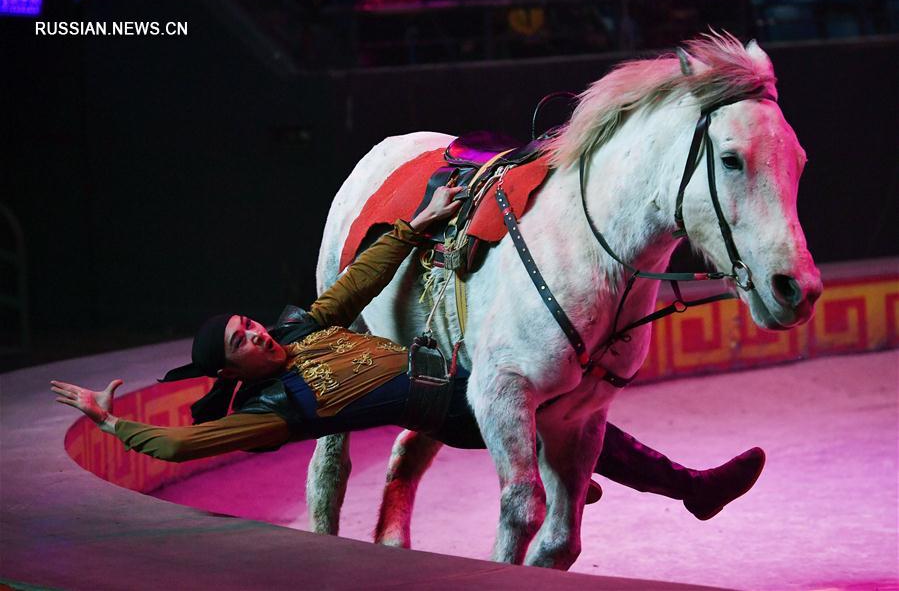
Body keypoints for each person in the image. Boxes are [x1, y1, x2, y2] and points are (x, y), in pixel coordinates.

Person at [52, 186, 764, 521]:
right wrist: (111, 423)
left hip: (449, 364)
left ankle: (612, 472)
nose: (258, 332)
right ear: (233, 369)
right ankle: (686, 487)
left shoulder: (301, 328)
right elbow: (182, 447)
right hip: (448, 407)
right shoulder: (278, 409)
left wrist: (413, 223)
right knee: (553, 408)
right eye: (244, 340)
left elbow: (358, 277)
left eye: (250, 322)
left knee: (565, 408)